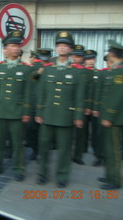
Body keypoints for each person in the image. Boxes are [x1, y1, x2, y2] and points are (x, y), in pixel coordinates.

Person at [35, 31, 86, 188]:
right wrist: (39, 112)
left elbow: (79, 96)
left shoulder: (77, 71)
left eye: (66, 46)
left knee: (64, 149)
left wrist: (78, 116)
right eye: (59, 46)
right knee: (43, 146)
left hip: (66, 115)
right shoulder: (47, 69)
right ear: (56, 49)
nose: (62, 48)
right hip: (48, 114)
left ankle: (62, 175)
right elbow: (41, 92)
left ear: (70, 50)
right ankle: (42, 173)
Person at [0, 30, 32, 181]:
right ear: (5, 49)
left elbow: (27, 92)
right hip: (0, 110)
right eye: (12, 45)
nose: (16, 48)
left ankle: (18, 168)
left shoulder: (26, 69)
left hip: (17, 112)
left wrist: (26, 111)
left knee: (17, 142)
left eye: (18, 45)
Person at [95, 40, 123, 189]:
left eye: (109, 52)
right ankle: (109, 176)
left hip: (114, 119)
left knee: (114, 150)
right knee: (108, 149)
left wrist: (108, 117)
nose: (108, 55)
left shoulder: (120, 72)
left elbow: (116, 97)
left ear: (112, 54)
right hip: (110, 117)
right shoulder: (116, 71)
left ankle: (115, 180)